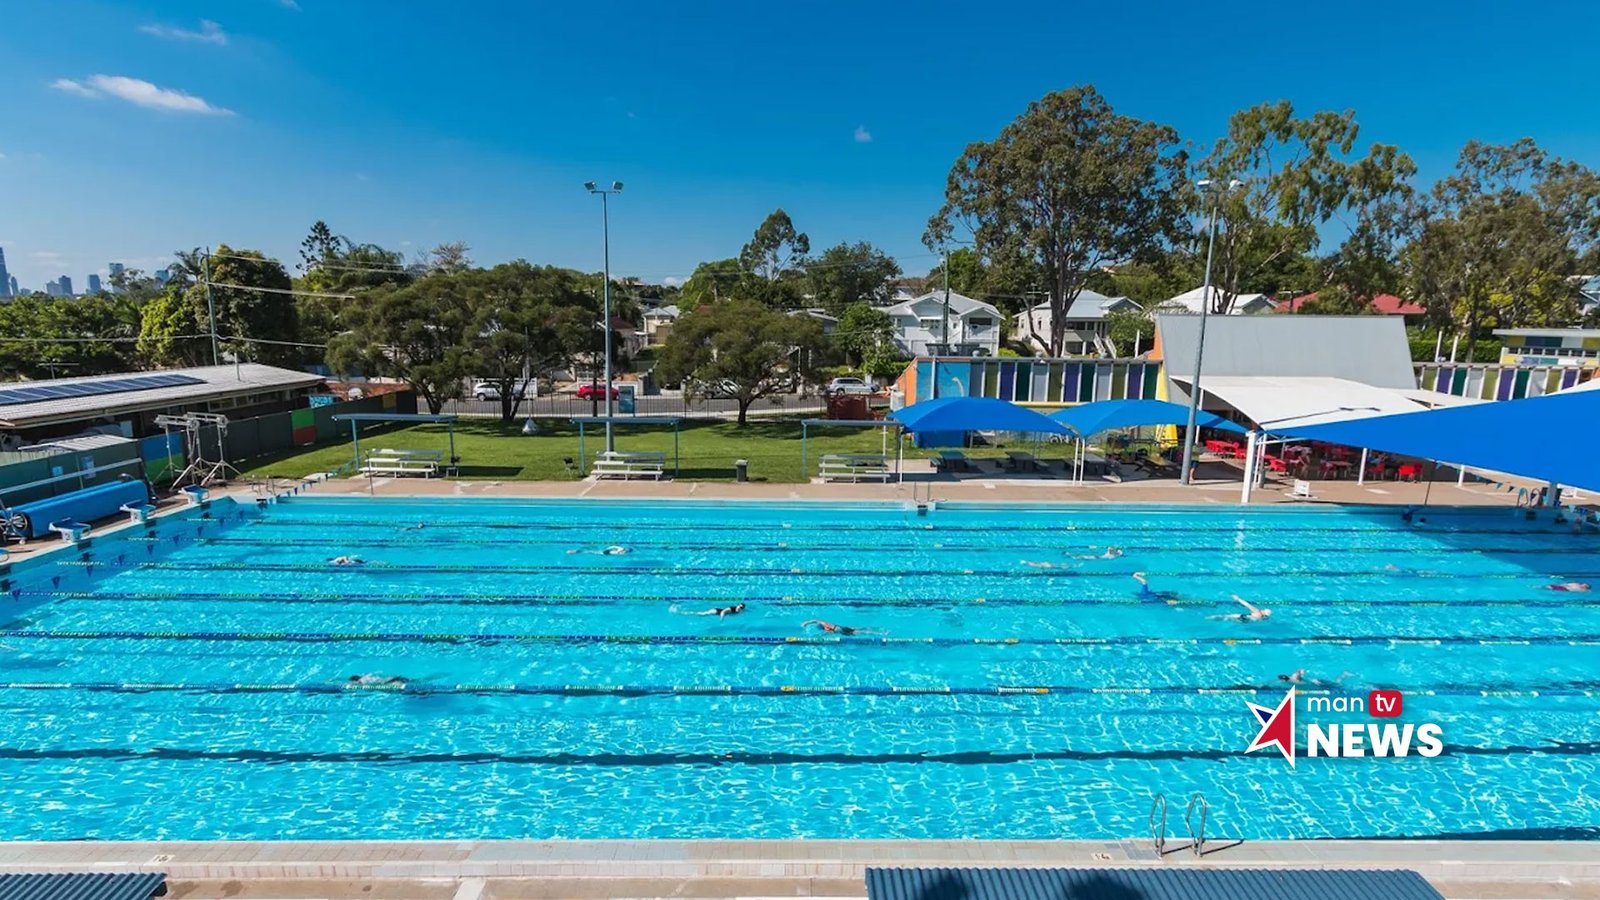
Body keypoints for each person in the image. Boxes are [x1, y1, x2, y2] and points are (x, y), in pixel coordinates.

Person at [801, 619, 883, 636]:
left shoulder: (826, 629)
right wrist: (806, 623)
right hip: (842, 627)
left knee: (861, 632)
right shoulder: (825, 623)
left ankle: (879, 633)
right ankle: (878, 630)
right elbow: (815, 620)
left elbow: (826, 634)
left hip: (843, 631)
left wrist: (817, 636)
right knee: (860, 629)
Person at [677, 602, 746, 618]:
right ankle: (684, 612)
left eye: (741, 608)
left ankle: (686, 612)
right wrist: (722, 619)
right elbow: (723, 612)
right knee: (702, 614)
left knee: (702, 614)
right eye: (739, 606)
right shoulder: (731, 608)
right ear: (737, 606)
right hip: (716, 611)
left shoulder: (739, 611)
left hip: (716, 611)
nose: (739, 608)